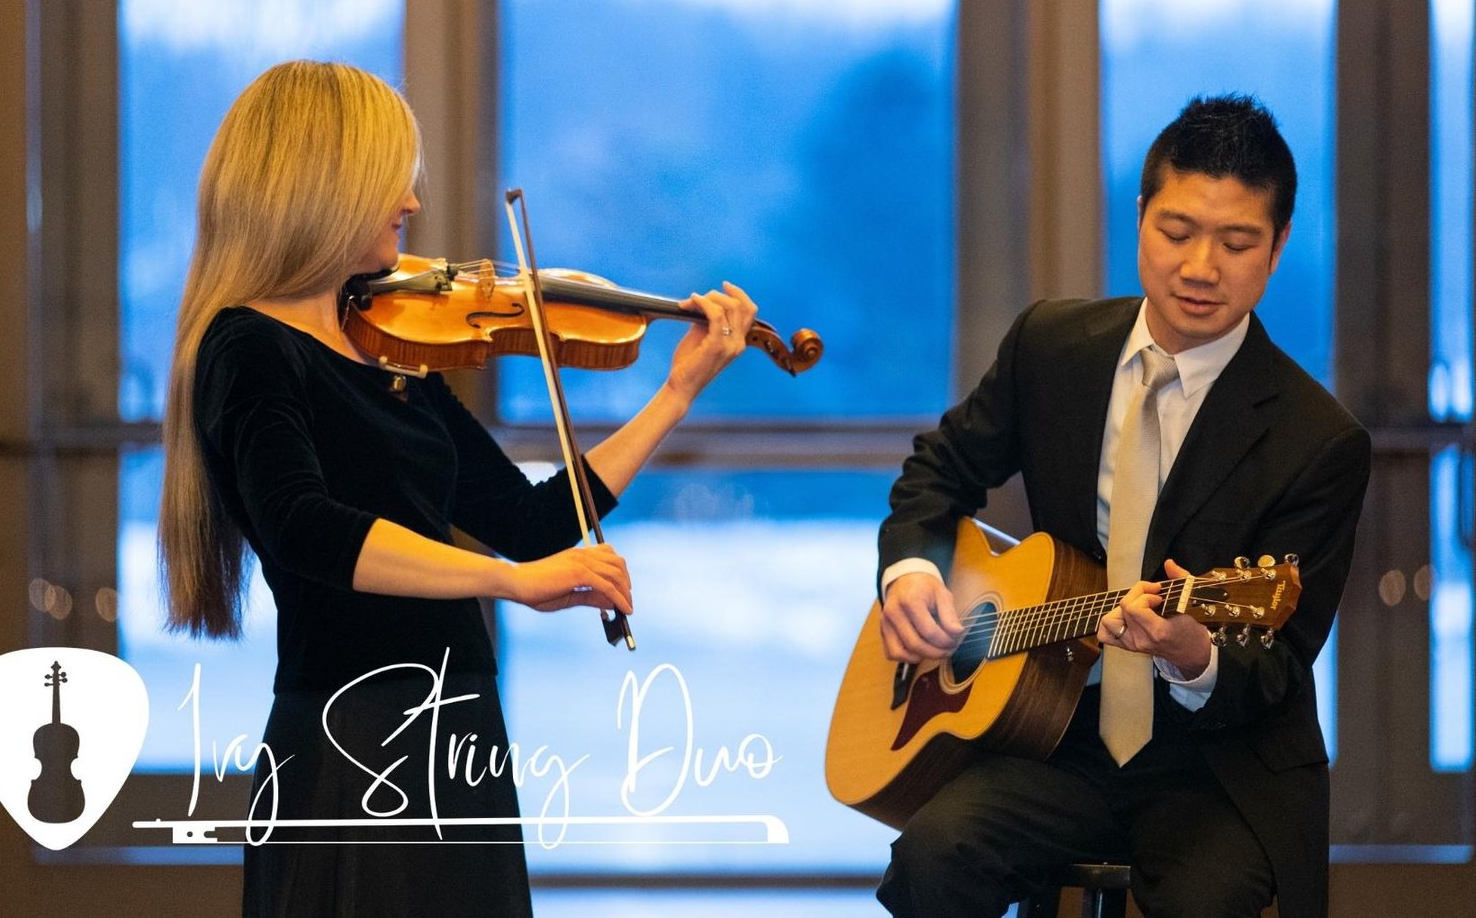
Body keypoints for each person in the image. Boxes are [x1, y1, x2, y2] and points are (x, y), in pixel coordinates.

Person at [156, 60, 757, 917]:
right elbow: (305, 527)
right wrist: (506, 584)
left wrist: (676, 393)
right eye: (391, 180)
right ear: (323, 184)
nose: (410, 202)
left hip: (454, 723)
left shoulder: (387, 347)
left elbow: (532, 520)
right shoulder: (248, 346)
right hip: (355, 737)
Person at [873, 94, 1371, 918]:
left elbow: (1279, 663)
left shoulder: (1318, 440)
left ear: (1278, 246)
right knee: (934, 859)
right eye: (1177, 232)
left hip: (1215, 766)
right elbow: (939, 470)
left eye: (1236, 243)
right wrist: (913, 575)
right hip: (1051, 733)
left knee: (1208, 903)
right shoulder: (1051, 347)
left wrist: (1194, 657)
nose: (1201, 268)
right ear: (1140, 216)